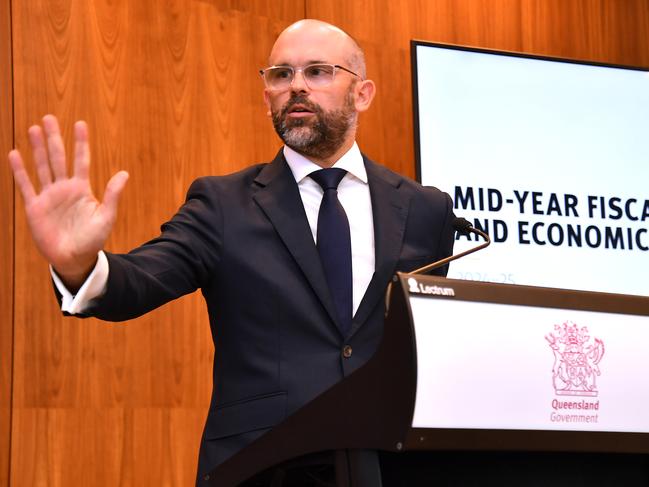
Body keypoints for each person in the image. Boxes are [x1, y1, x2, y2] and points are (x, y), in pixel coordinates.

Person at [8, 19, 454, 484]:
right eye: (281, 75)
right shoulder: (223, 204)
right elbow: (143, 279)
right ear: (267, 99)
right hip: (261, 467)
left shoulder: (426, 210)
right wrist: (80, 264)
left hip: (390, 466)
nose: (296, 86)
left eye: (318, 71)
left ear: (362, 94)